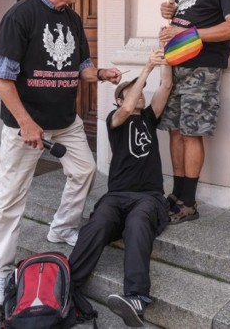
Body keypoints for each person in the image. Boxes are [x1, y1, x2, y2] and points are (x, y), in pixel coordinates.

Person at [0, 0, 122, 308]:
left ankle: (62, 227)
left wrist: (101, 73)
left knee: (85, 170)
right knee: (11, 197)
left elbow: (82, 67)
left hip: (65, 120)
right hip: (25, 124)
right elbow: (1, 76)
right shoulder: (21, 15)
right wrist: (26, 121)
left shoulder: (73, 19)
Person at [69, 47, 172, 328]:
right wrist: (146, 69)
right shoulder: (114, 120)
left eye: (140, 91)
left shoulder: (149, 118)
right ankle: (68, 284)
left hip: (148, 198)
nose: (140, 93)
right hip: (116, 196)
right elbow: (127, 108)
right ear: (118, 99)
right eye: (132, 90)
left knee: (139, 222)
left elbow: (166, 85)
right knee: (98, 221)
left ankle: (136, 298)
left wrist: (168, 57)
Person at [158, 0, 230, 224]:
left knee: (192, 132)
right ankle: (176, 194)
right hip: (176, 61)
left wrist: (190, 33)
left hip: (202, 66)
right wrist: (170, 11)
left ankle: (189, 203)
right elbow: (185, 11)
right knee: (174, 129)